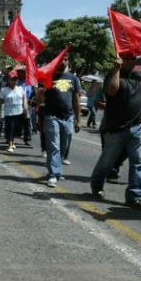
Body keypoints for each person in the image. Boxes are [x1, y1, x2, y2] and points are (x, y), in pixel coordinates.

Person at [89, 54, 141, 210]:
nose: (130, 61)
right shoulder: (113, 76)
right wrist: (116, 69)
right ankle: (97, 185)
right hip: (116, 128)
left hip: (137, 128)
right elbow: (111, 91)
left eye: (133, 59)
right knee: (107, 161)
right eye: (126, 58)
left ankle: (134, 196)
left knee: (139, 162)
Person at [41, 56, 81, 187]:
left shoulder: (73, 78)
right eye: (61, 59)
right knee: (54, 146)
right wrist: (40, 92)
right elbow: (40, 97)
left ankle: (56, 169)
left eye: (66, 59)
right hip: (51, 116)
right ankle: (53, 174)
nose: (63, 61)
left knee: (64, 146)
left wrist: (78, 120)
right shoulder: (48, 76)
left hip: (68, 117)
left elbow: (76, 100)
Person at [0, 71, 28, 153]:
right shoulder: (4, 90)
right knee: (10, 128)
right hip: (9, 113)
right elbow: (0, 102)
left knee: (17, 130)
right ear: (8, 80)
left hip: (19, 113)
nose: (14, 81)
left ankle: (12, 141)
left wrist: (25, 108)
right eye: (12, 79)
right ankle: (10, 145)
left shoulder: (20, 89)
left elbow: (24, 99)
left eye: (15, 79)